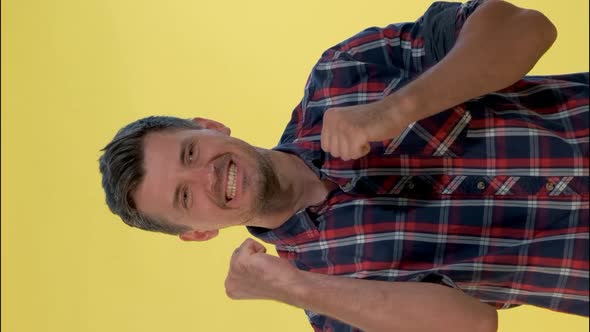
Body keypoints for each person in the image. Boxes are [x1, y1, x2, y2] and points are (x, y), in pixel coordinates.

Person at [99, 0, 589, 331]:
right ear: (197, 233)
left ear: (210, 126)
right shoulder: (329, 300)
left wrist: (398, 108)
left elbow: (528, 28)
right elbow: (472, 325)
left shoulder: (343, 72)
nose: (205, 175)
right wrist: (299, 288)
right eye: (185, 197)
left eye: (190, 152)